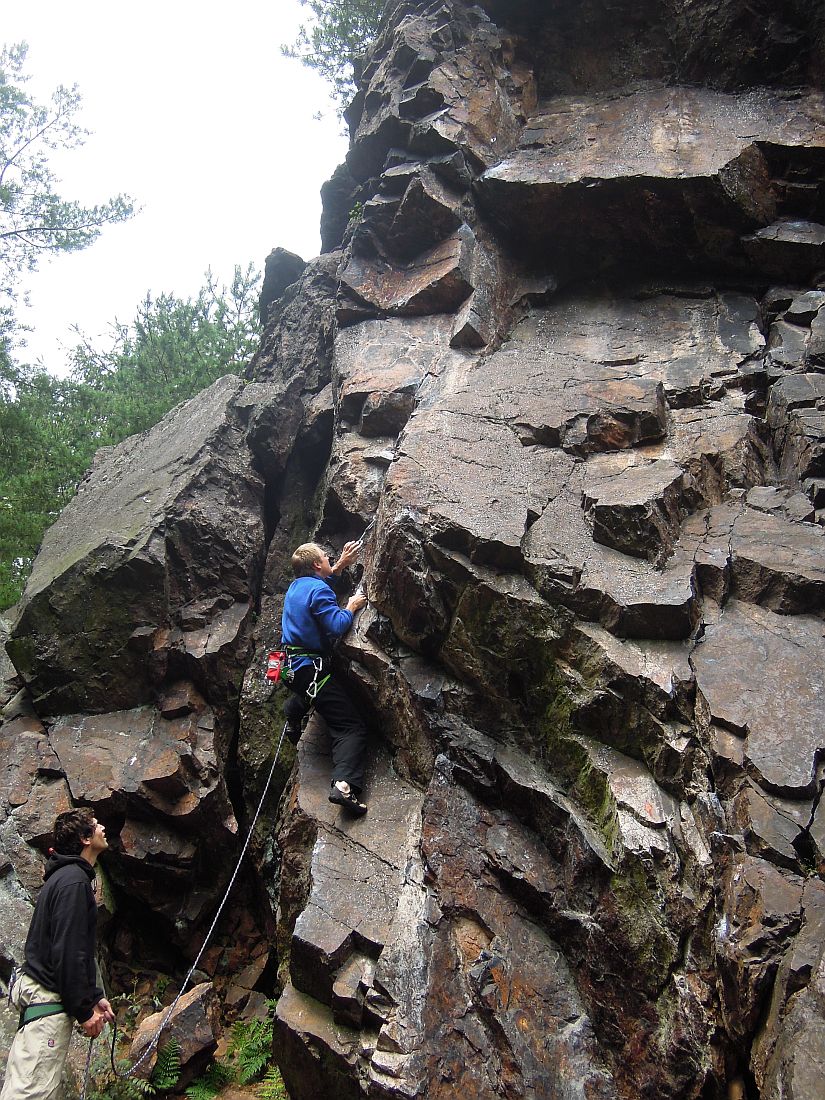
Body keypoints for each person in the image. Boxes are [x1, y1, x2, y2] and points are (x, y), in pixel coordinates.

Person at [1, 808, 115, 1100]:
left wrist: (93, 996)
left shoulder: (67, 878)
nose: (103, 827)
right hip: (48, 1001)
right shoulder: (73, 882)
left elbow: (74, 948)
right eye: (96, 824)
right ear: (85, 838)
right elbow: (67, 952)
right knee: (30, 1094)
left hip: (43, 998)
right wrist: (84, 1010)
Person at [281, 541, 369, 814]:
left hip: (290, 668)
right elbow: (336, 625)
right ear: (317, 565)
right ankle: (343, 786)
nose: (329, 557)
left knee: (307, 692)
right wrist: (352, 606)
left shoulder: (296, 587)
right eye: (325, 557)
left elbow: (319, 589)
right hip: (310, 671)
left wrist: (341, 564)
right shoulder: (317, 589)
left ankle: (292, 710)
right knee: (351, 727)